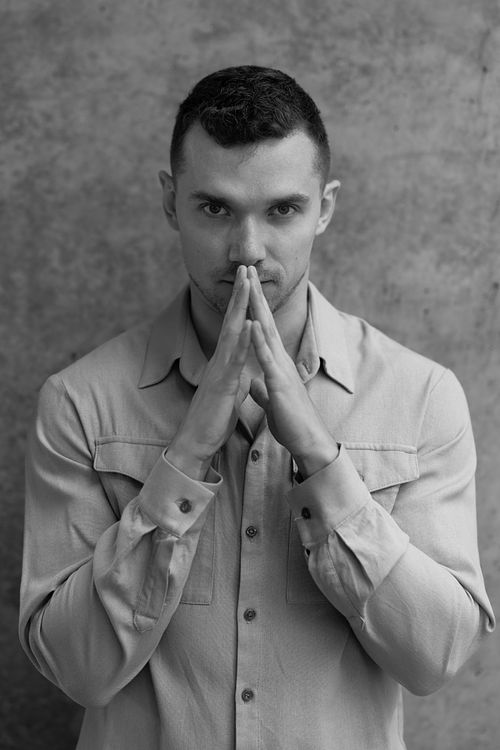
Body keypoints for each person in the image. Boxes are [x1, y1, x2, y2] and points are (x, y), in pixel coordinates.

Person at [20, 65, 494, 750]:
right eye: (215, 209)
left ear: (324, 208)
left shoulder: (420, 397)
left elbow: (436, 658)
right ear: (171, 201)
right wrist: (185, 458)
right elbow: (75, 671)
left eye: (282, 210)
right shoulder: (79, 402)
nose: (247, 250)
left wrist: (320, 460)